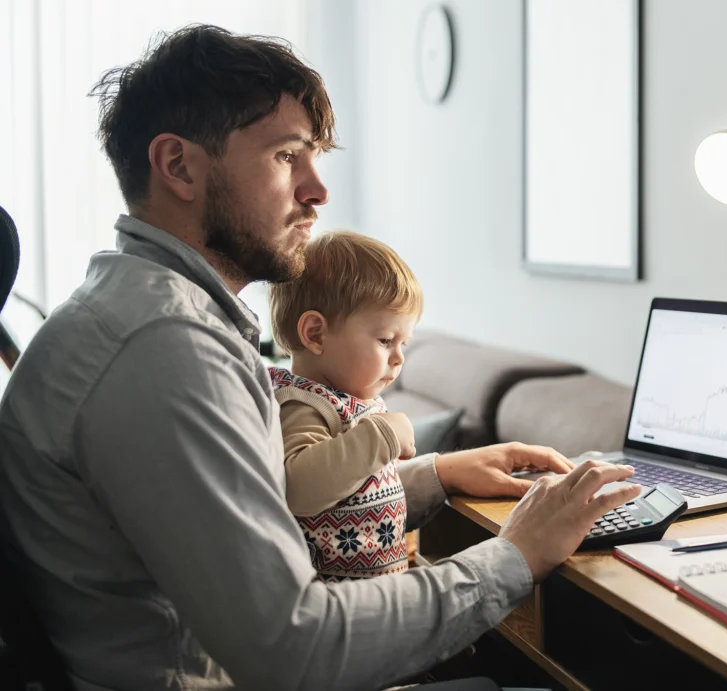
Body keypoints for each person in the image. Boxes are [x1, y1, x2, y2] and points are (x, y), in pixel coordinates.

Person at [0, 24, 641, 691]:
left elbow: (268, 507)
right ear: (179, 166)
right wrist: (515, 556)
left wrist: (438, 476)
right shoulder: (165, 348)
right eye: (287, 157)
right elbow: (294, 645)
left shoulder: (136, 309)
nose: (317, 191)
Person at [267, 230, 425, 581]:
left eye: (404, 343)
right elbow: (299, 489)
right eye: (385, 340)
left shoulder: (352, 398)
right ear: (316, 335)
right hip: (338, 599)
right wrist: (383, 436)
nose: (398, 358)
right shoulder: (305, 404)